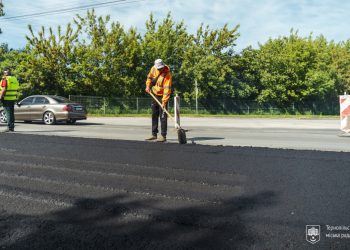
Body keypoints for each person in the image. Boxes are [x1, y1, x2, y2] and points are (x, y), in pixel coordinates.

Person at [145, 59, 172, 142]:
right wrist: (148, 86)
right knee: (154, 114)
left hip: (163, 96)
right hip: (154, 94)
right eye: (158, 68)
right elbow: (149, 78)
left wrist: (164, 101)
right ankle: (154, 134)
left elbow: (167, 89)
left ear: (163, 66)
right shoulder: (153, 68)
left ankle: (163, 136)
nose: (159, 69)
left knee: (163, 116)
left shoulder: (167, 74)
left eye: (160, 68)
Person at [0, 67, 19, 132]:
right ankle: (12, 127)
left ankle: (9, 127)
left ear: (4, 72)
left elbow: (4, 89)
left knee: (8, 113)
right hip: (12, 98)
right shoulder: (14, 78)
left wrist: (0, 97)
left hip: (6, 98)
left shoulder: (5, 79)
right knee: (11, 113)